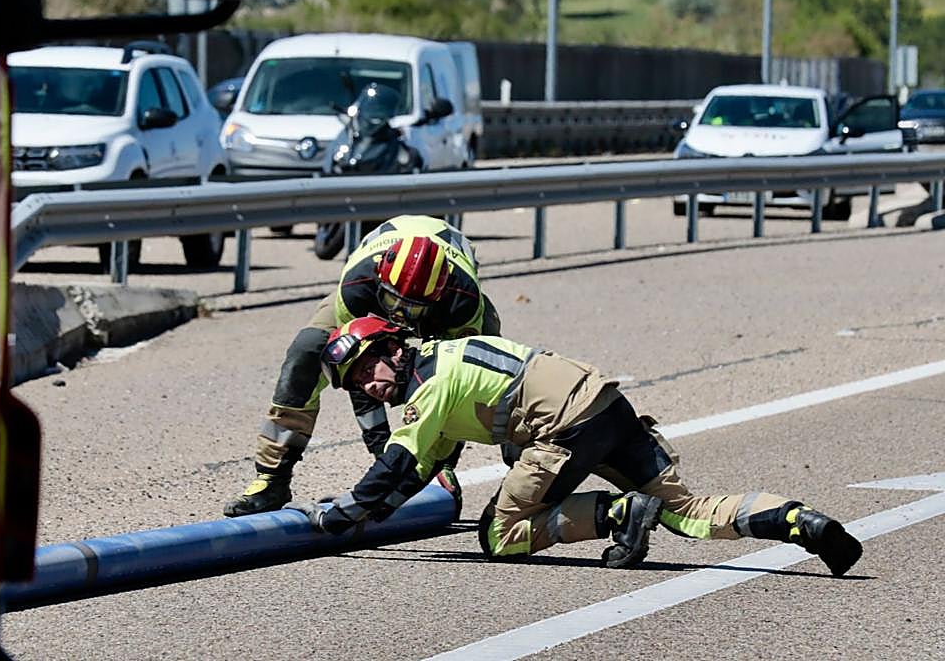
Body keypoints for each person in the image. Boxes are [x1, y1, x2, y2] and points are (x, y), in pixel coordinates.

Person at [288, 318, 863, 576]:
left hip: (564, 431)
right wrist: (375, 517)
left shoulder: (427, 387)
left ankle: (616, 515)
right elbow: (418, 470)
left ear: (393, 348)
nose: (366, 387)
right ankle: (798, 521)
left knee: (499, 536)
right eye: (355, 384)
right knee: (687, 513)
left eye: (365, 370)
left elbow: (393, 464)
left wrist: (337, 517)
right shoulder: (447, 360)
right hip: (608, 407)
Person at [223, 215, 502, 517]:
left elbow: (455, 387)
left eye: (410, 309)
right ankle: (272, 479)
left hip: (441, 315)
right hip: (378, 300)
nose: (400, 316)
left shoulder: (462, 303)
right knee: (307, 351)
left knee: (470, 373)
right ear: (381, 278)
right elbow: (357, 370)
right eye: (393, 303)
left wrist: (431, 461)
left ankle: (443, 468)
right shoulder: (357, 287)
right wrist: (384, 455)